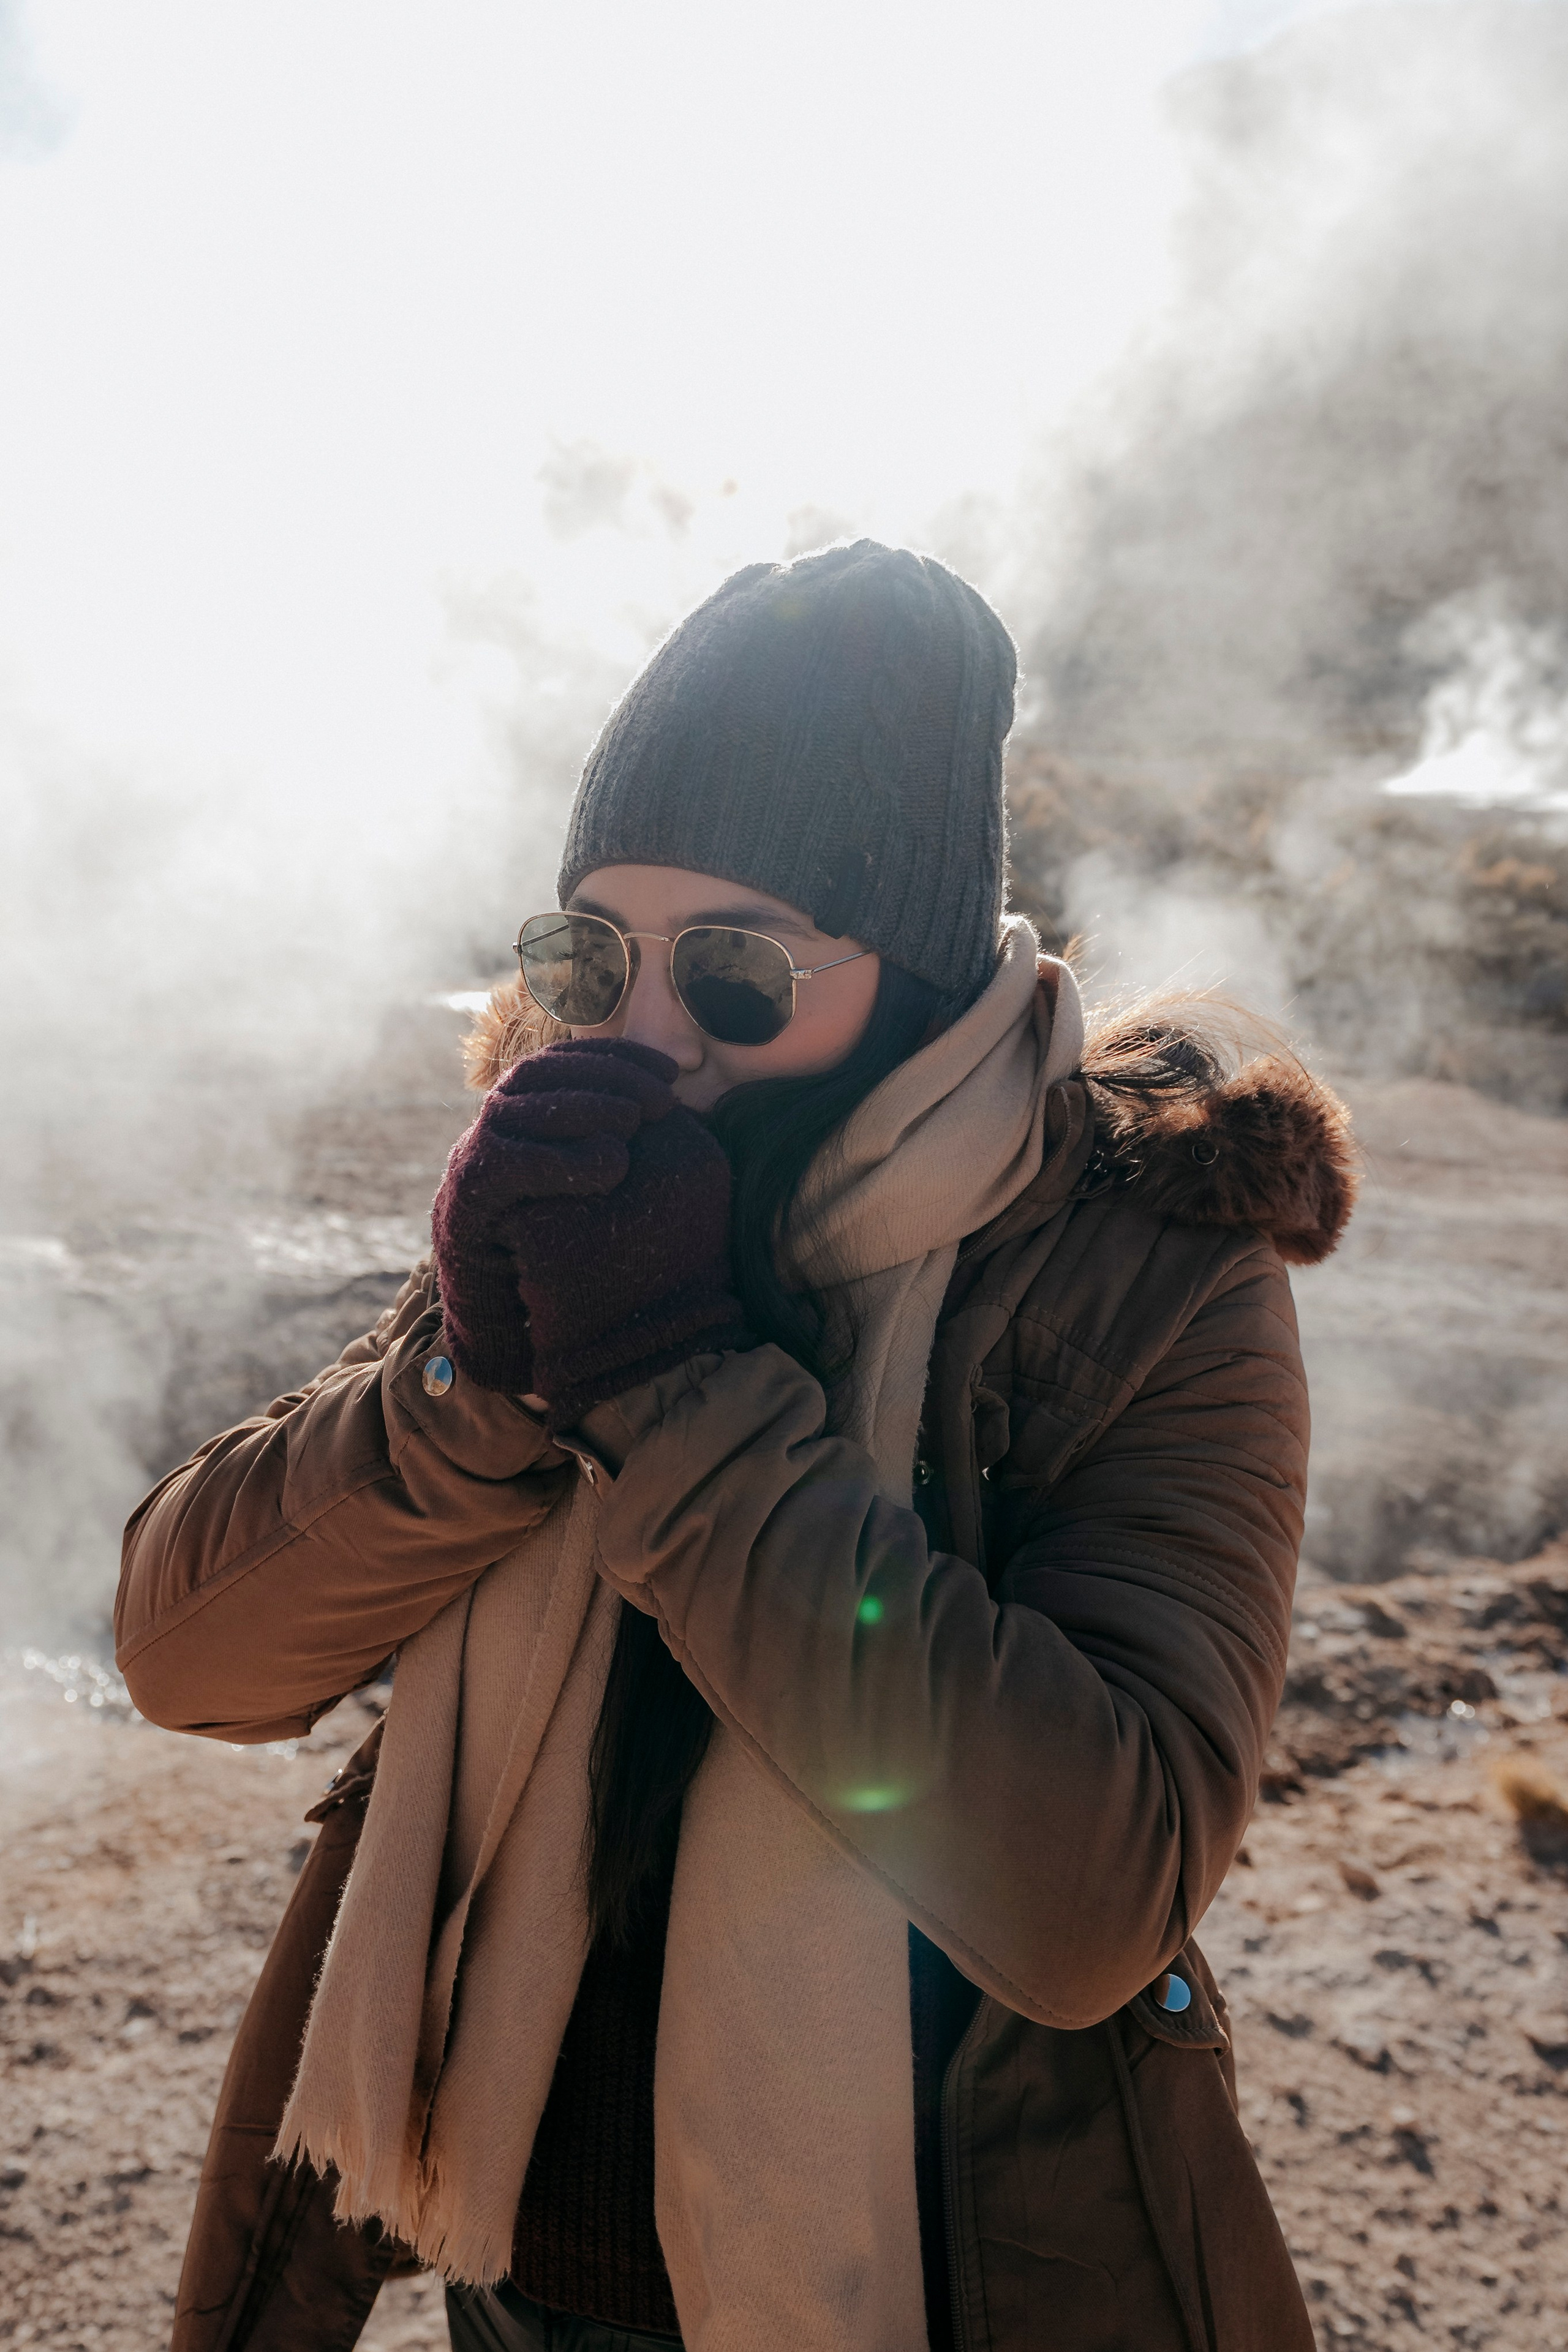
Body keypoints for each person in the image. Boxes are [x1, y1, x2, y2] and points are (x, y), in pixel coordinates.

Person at [117, 541, 1355, 2352]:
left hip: (941, 2292)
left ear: (917, 964)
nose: (648, 1031)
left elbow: (1093, 1889)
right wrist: (470, 1389)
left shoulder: (1154, 1263)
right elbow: (187, 1654)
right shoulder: (579, 1202)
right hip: (520, 2282)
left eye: (740, 972)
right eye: (587, 954)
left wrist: (678, 1383)